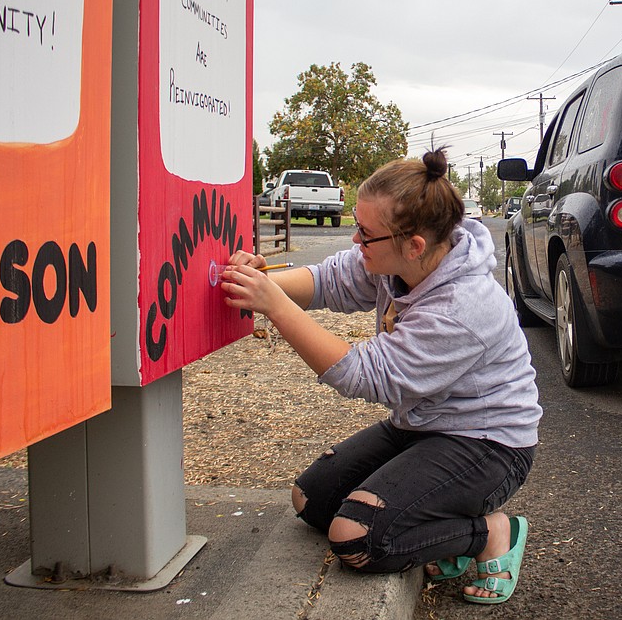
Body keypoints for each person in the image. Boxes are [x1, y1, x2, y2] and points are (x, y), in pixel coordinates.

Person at [220, 149, 542, 604]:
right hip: (421, 426)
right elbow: (329, 280)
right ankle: (433, 526)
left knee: (357, 539)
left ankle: (490, 532)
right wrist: (262, 283)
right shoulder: (400, 261)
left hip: (488, 444)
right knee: (310, 501)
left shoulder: (464, 308)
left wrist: (272, 305)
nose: (354, 239)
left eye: (366, 234)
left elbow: (364, 375)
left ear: (413, 244)